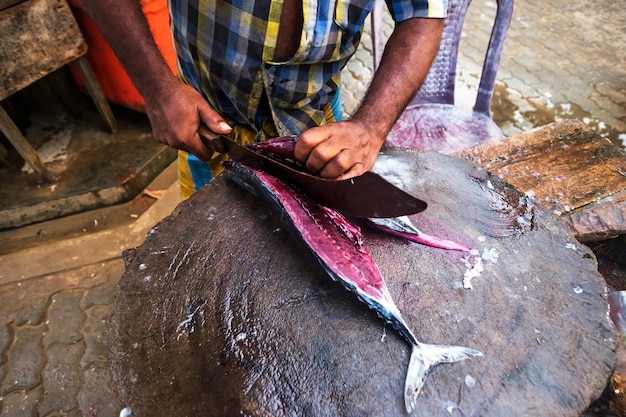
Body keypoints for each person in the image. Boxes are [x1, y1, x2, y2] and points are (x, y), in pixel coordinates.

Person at [80, 0, 445, 199]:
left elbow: (421, 12)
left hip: (321, 129)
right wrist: (157, 88)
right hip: (208, 130)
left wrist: (370, 127)